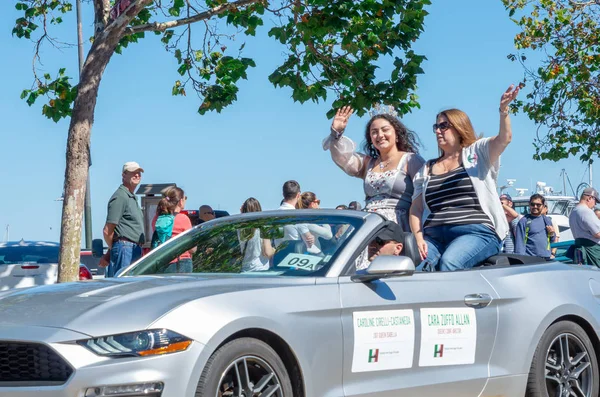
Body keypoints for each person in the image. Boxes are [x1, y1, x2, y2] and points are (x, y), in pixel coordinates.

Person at [410, 85, 520, 271]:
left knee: (449, 264)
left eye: (444, 126)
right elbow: (416, 208)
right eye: (436, 126)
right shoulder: (426, 169)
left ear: (459, 127)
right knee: (418, 272)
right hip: (434, 237)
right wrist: (419, 239)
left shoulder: (478, 152)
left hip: (475, 232)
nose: (438, 131)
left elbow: (504, 138)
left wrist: (503, 111)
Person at [323, 105, 425, 231]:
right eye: (374, 132)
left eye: (385, 130)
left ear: (397, 134)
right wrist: (336, 133)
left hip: (398, 227)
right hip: (369, 226)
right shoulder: (368, 163)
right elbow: (342, 158)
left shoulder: (411, 160)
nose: (380, 135)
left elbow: (424, 195)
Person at [99, 162, 145, 277]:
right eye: (133, 172)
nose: (137, 175)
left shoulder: (130, 197)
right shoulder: (120, 196)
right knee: (124, 285)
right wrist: (116, 247)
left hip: (133, 248)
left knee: (131, 286)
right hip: (126, 248)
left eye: (139, 173)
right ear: (124, 175)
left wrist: (110, 253)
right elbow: (107, 231)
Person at [152, 187, 196, 272]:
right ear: (180, 201)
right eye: (184, 198)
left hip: (162, 261)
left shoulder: (157, 218)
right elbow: (192, 248)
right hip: (181, 262)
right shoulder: (183, 219)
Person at [514, 194, 556, 259]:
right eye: (532, 204)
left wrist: (552, 233)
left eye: (538, 205)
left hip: (546, 258)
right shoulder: (524, 221)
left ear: (543, 206)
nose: (535, 207)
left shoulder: (547, 220)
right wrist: (520, 260)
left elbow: (552, 240)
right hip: (530, 259)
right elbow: (519, 244)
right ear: (529, 205)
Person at [238, 197, 275, 272]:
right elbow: (267, 253)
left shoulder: (240, 229)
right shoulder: (263, 228)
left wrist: (242, 211)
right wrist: (275, 249)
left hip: (245, 270)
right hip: (260, 270)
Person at [278, 180, 315, 247]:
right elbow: (309, 243)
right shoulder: (298, 217)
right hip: (294, 254)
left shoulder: (274, 216)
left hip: (277, 255)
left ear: (283, 194)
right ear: (298, 195)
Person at [569, 188, 600, 266]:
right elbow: (598, 233)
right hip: (592, 252)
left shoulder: (573, 212)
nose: (595, 204)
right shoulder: (586, 211)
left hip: (579, 250)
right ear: (589, 198)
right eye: (595, 201)